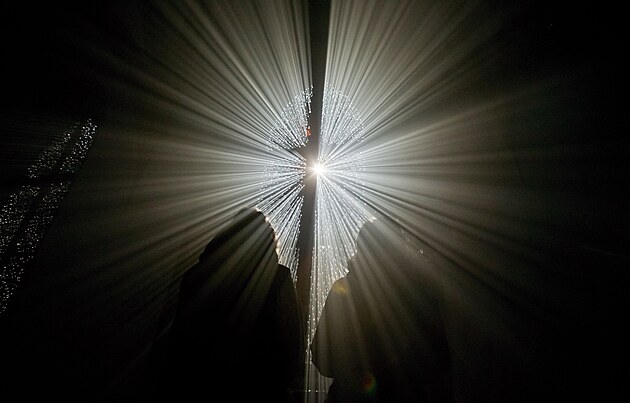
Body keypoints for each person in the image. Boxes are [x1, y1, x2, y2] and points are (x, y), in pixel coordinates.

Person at [158, 207, 304, 402]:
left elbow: (178, 338)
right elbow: (292, 343)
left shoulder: (195, 276)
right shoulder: (279, 279)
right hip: (260, 387)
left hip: (198, 384)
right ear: (268, 241)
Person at [311, 217, 452, 402]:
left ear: (361, 251)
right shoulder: (418, 295)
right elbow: (439, 363)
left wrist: (353, 367)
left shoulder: (343, 292)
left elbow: (322, 358)